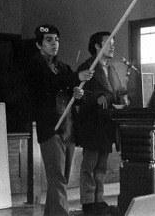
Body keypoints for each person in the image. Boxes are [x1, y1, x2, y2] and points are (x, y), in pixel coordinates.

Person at [26, 24, 93, 216]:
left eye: (56, 39)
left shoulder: (63, 67)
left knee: (62, 176)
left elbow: (70, 87)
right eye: (49, 40)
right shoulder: (34, 65)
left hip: (68, 127)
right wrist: (74, 78)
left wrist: (77, 92)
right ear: (39, 44)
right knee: (57, 178)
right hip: (50, 128)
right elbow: (48, 84)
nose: (54, 44)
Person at [76, 31, 128, 215]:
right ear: (97, 46)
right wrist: (98, 97)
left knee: (102, 166)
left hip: (108, 125)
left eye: (113, 42)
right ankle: (88, 202)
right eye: (108, 43)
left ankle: (99, 199)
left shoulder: (112, 68)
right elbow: (80, 96)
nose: (113, 46)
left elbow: (118, 91)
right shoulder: (87, 67)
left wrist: (123, 99)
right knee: (89, 165)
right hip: (92, 125)